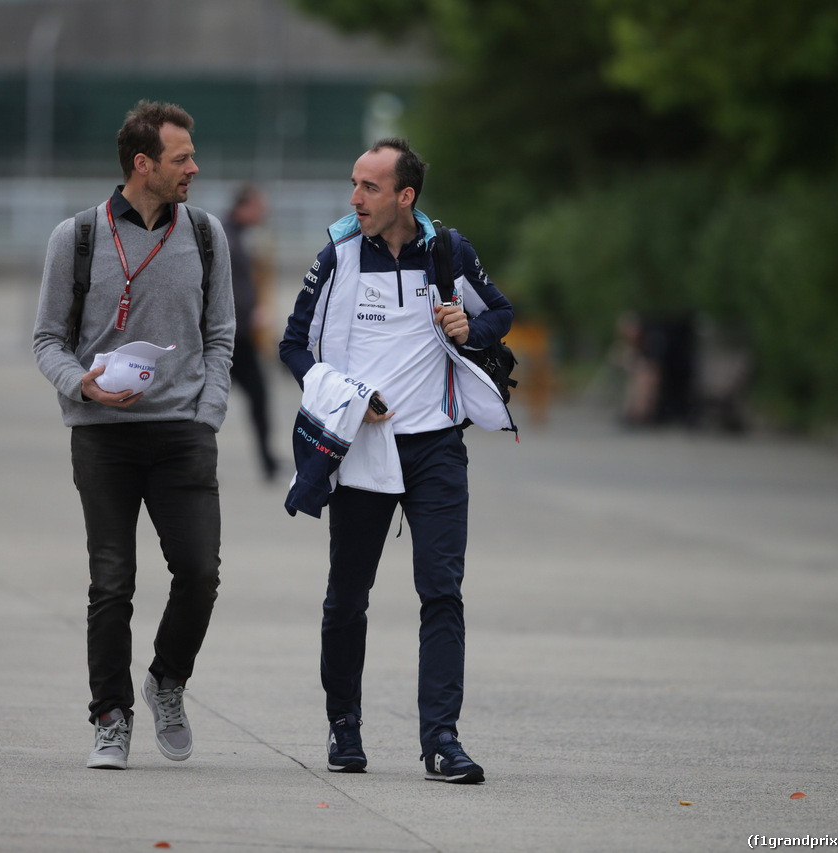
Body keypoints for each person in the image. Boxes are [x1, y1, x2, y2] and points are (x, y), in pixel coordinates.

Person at [279, 138, 515, 784]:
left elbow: (500, 312)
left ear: (405, 196)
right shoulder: (338, 256)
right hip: (362, 446)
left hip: (437, 447)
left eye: (370, 187)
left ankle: (442, 739)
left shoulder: (447, 250)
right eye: (354, 183)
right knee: (347, 597)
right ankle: (344, 725)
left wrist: (472, 330)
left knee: (442, 592)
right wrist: (348, 397)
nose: (355, 198)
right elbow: (293, 347)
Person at [33, 100, 235, 771]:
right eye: (182, 158)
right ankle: (110, 715)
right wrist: (82, 385)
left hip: (183, 434)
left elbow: (221, 334)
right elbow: (47, 340)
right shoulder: (79, 237)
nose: (194, 168)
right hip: (102, 436)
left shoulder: (206, 234)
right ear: (142, 163)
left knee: (200, 573)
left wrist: (207, 414)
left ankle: (166, 681)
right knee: (111, 580)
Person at [222, 184, 280, 481]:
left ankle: (269, 463)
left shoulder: (238, 235)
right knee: (255, 396)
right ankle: (269, 464)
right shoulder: (226, 238)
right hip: (231, 337)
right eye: (259, 206)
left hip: (239, 334)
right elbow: (228, 289)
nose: (264, 213)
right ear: (244, 206)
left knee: (257, 397)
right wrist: (251, 313)